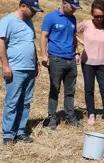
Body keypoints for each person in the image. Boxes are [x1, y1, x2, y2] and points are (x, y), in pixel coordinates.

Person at [0, 0, 44, 145]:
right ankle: (8, 134)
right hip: (15, 68)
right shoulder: (8, 20)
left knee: (26, 102)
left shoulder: (29, 22)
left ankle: (21, 131)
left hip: (29, 69)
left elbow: (31, 44)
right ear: (23, 7)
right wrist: (6, 65)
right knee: (12, 102)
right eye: (33, 10)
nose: (35, 13)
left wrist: (35, 63)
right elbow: (0, 43)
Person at [40, 0, 82, 129]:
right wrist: (44, 55)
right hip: (56, 59)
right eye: (72, 7)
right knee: (54, 90)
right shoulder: (51, 17)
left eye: (76, 7)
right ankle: (52, 118)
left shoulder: (73, 19)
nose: (74, 9)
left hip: (70, 60)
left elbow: (73, 36)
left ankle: (70, 117)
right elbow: (44, 36)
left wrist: (76, 52)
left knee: (70, 91)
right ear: (64, 3)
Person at [77, 0, 104, 127]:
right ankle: (91, 114)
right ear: (92, 14)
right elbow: (72, 31)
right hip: (87, 63)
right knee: (89, 89)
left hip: (102, 63)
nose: (98, 19)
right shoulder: (86, 24)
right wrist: (80, 42)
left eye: (101, 16)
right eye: (96, 16)